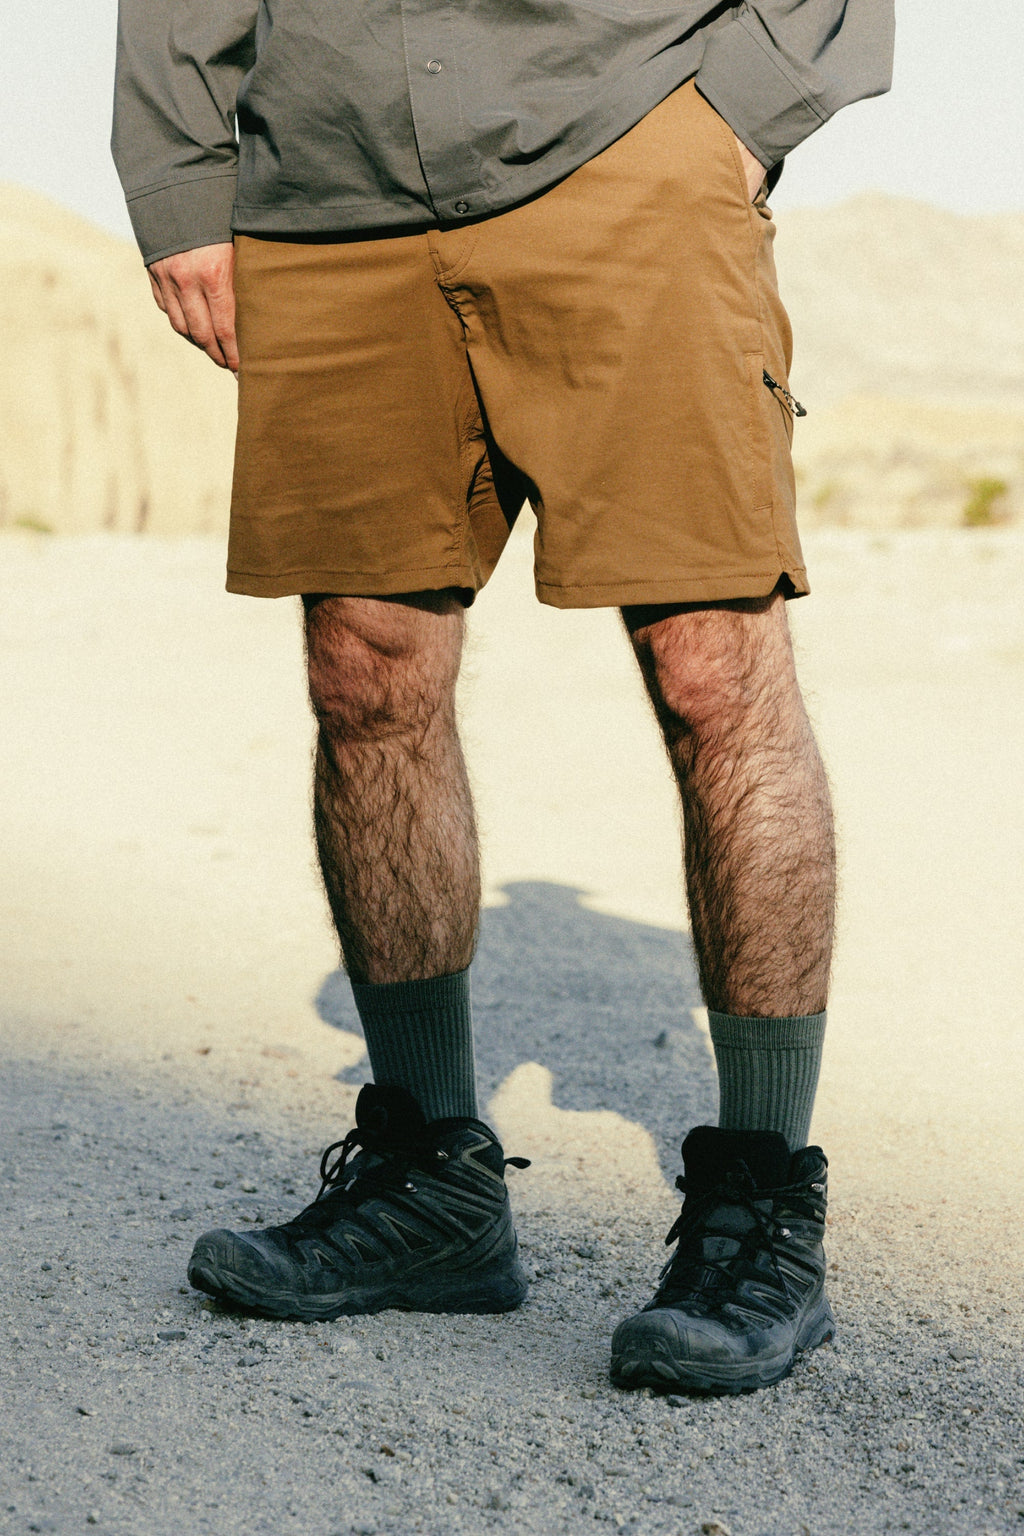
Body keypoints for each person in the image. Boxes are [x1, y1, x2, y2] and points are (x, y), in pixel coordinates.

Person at [112, 0, 893, 1395]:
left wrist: (736, 113)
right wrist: (178, 172)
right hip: (329, 198)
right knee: (365, 668)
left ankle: (761, 1203)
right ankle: (430, 1189)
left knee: (715, 666)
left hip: (628, 146)